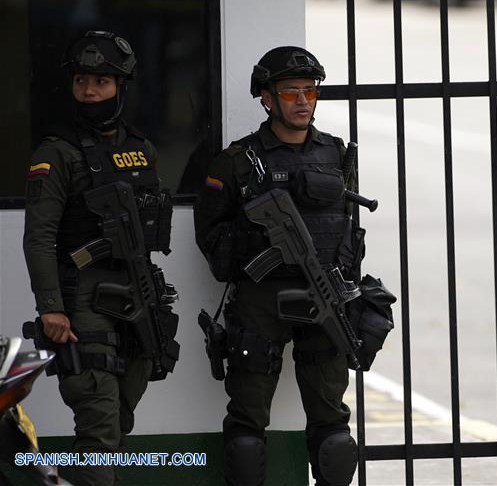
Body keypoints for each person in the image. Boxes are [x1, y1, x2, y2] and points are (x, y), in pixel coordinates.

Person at [194, 46, 359, 486]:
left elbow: (348, 229)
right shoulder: (237, 161)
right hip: (260, 300)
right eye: (291, 92)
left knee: (334, 434)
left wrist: (347, 279)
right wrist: (254, 245)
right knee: (246, 430)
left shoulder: (335, 154)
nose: (303, 101)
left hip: (323, 295)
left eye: (310, 91)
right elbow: (209, 235)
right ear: (267, 98)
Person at [22, 30, 178, 486]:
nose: (89, 91)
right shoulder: (57, 152)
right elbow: (40, 236)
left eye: (101, 82)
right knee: (98, 429)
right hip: (84, 301)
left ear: (120, 87)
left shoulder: (142, 149)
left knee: (117, 423)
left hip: (135, 296)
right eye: (82, 81)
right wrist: (50, 306)